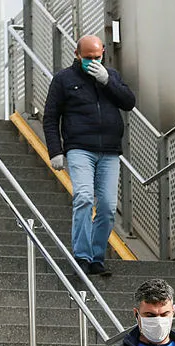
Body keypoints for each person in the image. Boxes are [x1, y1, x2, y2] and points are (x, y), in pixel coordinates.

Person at [43, 35, 136, 277]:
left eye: (97, 57)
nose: (93, 61)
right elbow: (51, 117)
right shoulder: (64, 79)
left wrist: (107, 82)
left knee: (106, 206)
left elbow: (129, 102)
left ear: (103, 53)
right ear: (77, 54)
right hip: (79, 148)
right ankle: (82, 256)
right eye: (88, 58)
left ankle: (97, 256)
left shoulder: (111, 76)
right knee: (84, 197)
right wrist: (55, 151)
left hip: (109, 151)